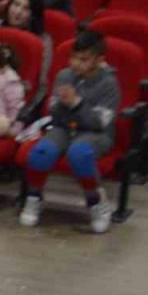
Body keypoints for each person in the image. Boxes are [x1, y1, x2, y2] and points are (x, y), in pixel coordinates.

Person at [19, 29, 120, 233]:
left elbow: (100, 122)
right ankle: (34, 197)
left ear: (99, 60)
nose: (76, 64)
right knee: (41, 152)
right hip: (63, 127)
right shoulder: (64, 75)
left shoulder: (109, 84)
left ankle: (96, 202)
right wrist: (62, 105)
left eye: (83, 59)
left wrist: (76, 103)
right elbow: (53, 112)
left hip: (96, 134)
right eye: (74, 57)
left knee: (79, 153)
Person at [0, 0, 53, 85]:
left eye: (26, 8)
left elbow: (41, 79)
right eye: (16, 4)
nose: (18, 12)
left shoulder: (43, 41)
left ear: (33, 15)